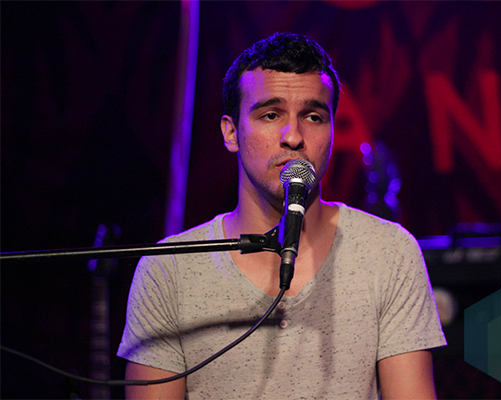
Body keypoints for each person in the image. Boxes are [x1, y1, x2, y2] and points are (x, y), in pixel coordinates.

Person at [118, 32, 446, 399]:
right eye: (271, 115)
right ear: (231, 132)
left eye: (313, 117)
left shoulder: (388, 252)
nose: (293, 136)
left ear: (333, 132)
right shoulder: (169, 269)